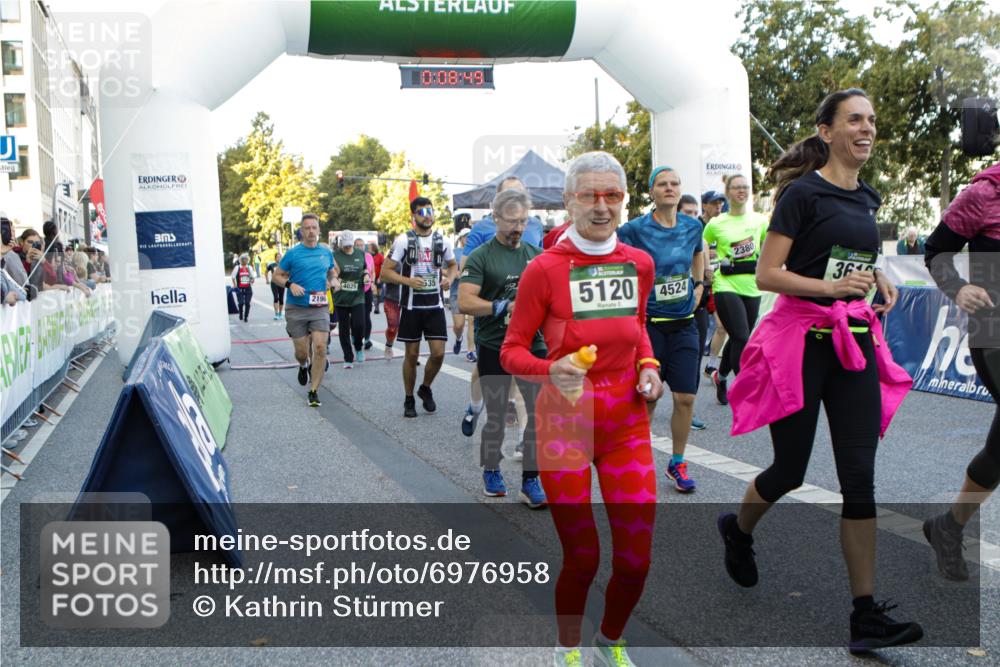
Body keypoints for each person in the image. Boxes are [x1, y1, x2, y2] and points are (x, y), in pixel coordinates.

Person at [720, 88, 922, 653]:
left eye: (872, 120)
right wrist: (829, 288)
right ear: (827, 131)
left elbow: (855, 256)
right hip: (799, 345)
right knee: (789, 469)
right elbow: (767, 274)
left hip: (851, 343)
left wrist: (876, 277)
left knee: (859, 479)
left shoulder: (869, 198)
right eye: (855, 120)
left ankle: (865, 617)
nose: (867, 128)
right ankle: (737, 531)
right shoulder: (801, 195)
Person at [500, 151, 664, 667]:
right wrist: (551, 369)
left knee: (636, 560)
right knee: (584, 556)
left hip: (625, 424)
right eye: (589, 195)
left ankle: (611, 640)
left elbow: (637, 326)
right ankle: (567, 648)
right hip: (564, 424)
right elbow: (511, 351)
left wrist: (649, 365)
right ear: (568, 200)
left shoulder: (639, 264)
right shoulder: (544, 270)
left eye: (611, 195)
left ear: (623, 200)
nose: (601, 206)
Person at [922, 159, 1000, 581]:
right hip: (995, 330)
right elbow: (935, 251)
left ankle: (948, 527)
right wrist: (958, 287)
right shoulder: (985, 194)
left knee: (997, 454)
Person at [458, 188, 547, 507]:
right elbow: (465, 301)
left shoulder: (537, 255)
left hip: (532, 345)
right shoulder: (482, 256)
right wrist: (502, 307)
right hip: (494, 343)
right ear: (495, 218)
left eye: (523, 221)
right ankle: (492, 469)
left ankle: (530, 479)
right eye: (511, 221)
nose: (518, 228)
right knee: (496, 412)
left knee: (537, 413)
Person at [618, 170, 705, 494]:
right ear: (652, 191)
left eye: (675, 184)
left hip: (684, 324)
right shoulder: (635, 229)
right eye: (663, 184)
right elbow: (618, 260)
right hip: (649, 326)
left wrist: (699, 285)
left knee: (685, 397)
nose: (670, 189)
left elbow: (698, 253)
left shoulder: (692, 225)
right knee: (649, 398)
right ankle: (636, 459)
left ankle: (677, 462)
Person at [458, 178, 534, 435]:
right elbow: (466, 268)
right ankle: (475, 405)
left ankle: (522, 431)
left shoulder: (532, 226)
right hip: (490, 313)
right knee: (484, 371)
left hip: (524, 322)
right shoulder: (482, 229)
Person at [380, 197, 458, 417]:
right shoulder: (404, 240)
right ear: (413, 216)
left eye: (429, 211)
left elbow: (453, 266)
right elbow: (385, 272)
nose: (427, 215)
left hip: (435, 306)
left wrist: (449, 279)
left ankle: (425, 388)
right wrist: (408, 282)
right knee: (412, 355)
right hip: (412, 307)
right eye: (421, 212)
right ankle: (408, 398)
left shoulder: (443, 241)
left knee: (439, 353)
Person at [702, 174, 769, 405]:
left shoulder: (760, 221)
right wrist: (707, 267)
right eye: (736, 187)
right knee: (741, 335)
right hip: (725, 284)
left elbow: (768, 248)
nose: (741, 191)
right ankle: (746, 386)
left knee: (739, 337)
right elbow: (702, 246)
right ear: (728, 192)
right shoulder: (716, 223)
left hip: (751, 285)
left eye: (744, 187)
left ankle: (720, 377)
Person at [272, 214, 335, 408]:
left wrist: (333, 280)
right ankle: (303, 364)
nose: (310, 231)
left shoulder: (326, 252)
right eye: (306, 228)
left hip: (319, 307)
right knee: (301, 351)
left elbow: (332, 271)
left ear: (318, 230)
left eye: (314, 227)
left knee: (320, 347)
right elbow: (277, 276)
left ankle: (314, 391)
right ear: (301, 231)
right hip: (297, 307)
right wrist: (290, 284)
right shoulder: (293, 253)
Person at [679, 194, 709, 432]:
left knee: (696, 353)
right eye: (686, 213)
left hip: (695, 301)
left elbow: (704, 263)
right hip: (662, 310)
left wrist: (701, 283)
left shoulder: (699, 234)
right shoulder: (664, 236)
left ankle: (691, 405)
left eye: (693, 212)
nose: (692, 217)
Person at [332, 232, 368, 369]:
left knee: (359, 324)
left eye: (349, 245)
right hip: (341, 296)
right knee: (344, 328)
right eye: (345, 246)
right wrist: (335, 278)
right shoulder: (335, 255)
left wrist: (366, 275)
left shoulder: (360, 253)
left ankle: (358, 347)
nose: (347, 248)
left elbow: (364, 268)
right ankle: (348, 357)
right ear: (341, 243)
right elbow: (331, 271)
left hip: (358, 295)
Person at [450, 228, 473, 355]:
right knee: (459, 325)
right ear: (460, 238)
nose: (468, 238)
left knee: (472, 322)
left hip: (473, 293)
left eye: (470, 236)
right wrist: (455, 273)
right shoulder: (454, 252)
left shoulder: (477, 251)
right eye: (465, 236)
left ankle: (470, 351)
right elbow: (443, 269)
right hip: (456, 293)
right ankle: (459, 338)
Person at [356, 237, 375, 350]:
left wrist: (372, 282)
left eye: (361, 245)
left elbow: (372, 272)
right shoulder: (351, 256)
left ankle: (367, 339)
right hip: (355, 291)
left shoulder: (368, 256)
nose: (360, 247)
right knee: (356, 318)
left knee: (367, 315)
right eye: (357, 245)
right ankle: (356, 336)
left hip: (367, 290)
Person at [231, 253, 255, 322]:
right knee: (241, 303)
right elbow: (233, 277)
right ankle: (241, 313)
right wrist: (235, 284)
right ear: (241, 260)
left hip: (248, 287)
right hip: (239, 288)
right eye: (243, 259)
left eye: (246, 259)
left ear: (247, 260)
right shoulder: (237, 267)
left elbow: (252, 277)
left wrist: (252, 280)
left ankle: (246, 316)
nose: (244, 260)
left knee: (247, 303)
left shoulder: (249, 267)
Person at [266, 252, 285, 320]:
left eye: (280, 257)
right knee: (276, 297)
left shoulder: (283, 265)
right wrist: (267, 280)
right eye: (277, 257)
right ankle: (276, 314)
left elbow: (287, 273)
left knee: (281, 299)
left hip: (282, 283)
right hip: (274, 283)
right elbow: (266, 271)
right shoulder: (272, 265)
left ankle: (280, 313)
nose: (279, 258)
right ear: (275, 258)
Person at [369, 242, 384, 315]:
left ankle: (377, 305)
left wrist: (380, 278)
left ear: (373, 248)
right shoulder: (369, 256)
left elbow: (383, 267)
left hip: (379, 277)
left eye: (369, 248)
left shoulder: (380, 256)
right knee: (374, 292)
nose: (368, 249)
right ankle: (376, 308)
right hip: (372, 277)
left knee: (379, 293)